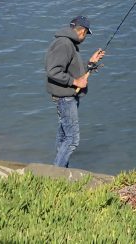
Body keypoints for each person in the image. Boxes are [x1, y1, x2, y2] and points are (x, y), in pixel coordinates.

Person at [45, 16, 105, 168]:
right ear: (83, 31)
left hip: (66, 97)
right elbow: (53, 71)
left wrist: (90, 63)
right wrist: (75, 82)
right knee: (72, 139)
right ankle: (56, 175)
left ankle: (59, 170)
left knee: (64, 135)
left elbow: (72, 70)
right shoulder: (64, 44)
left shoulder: (68, 43)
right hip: (65, 98)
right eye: (86, 34)